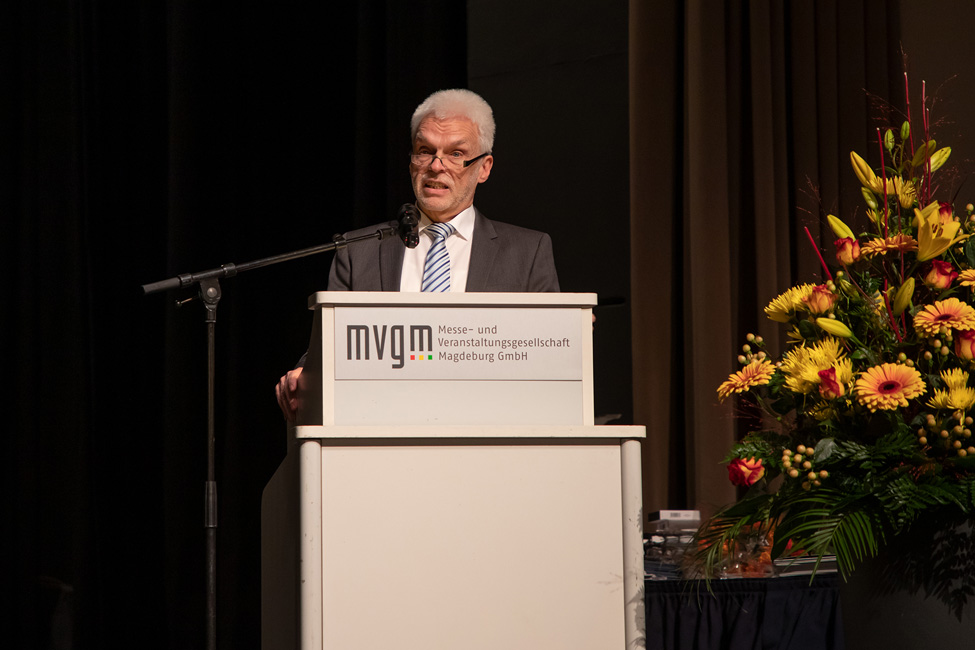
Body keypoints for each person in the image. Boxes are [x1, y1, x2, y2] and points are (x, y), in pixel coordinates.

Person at [275, 88, 559, 421]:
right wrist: (303, 375)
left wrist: (568, 336)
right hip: (379, 427)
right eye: (425, 151)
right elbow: (328, 348)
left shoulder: (527, 253)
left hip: (489, 428)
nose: (436, 166)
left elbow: (550, 358)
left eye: (456, 154)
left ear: (484, 168)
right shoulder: (358, 250)